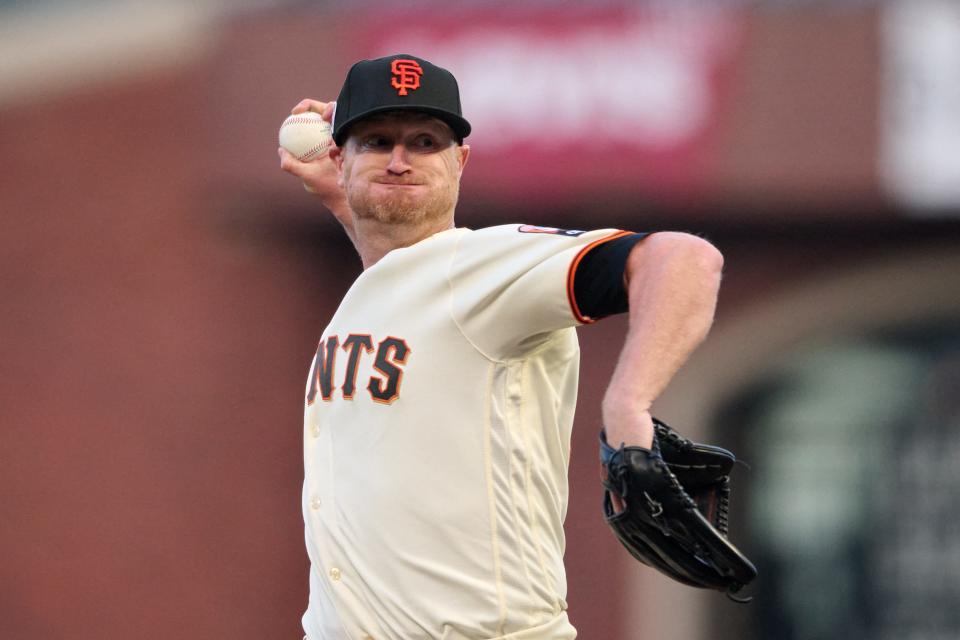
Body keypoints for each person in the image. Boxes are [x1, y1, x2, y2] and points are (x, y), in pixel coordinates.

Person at [278, 54, 724, 640]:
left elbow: (684, 260)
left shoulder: (487, 265)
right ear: (340, 158)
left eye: (424, 141)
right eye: (377, 140)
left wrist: (626, 406)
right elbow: (402, 275)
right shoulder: (378, 287)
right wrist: (348, 200)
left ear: (461, 160)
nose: (401, 160)